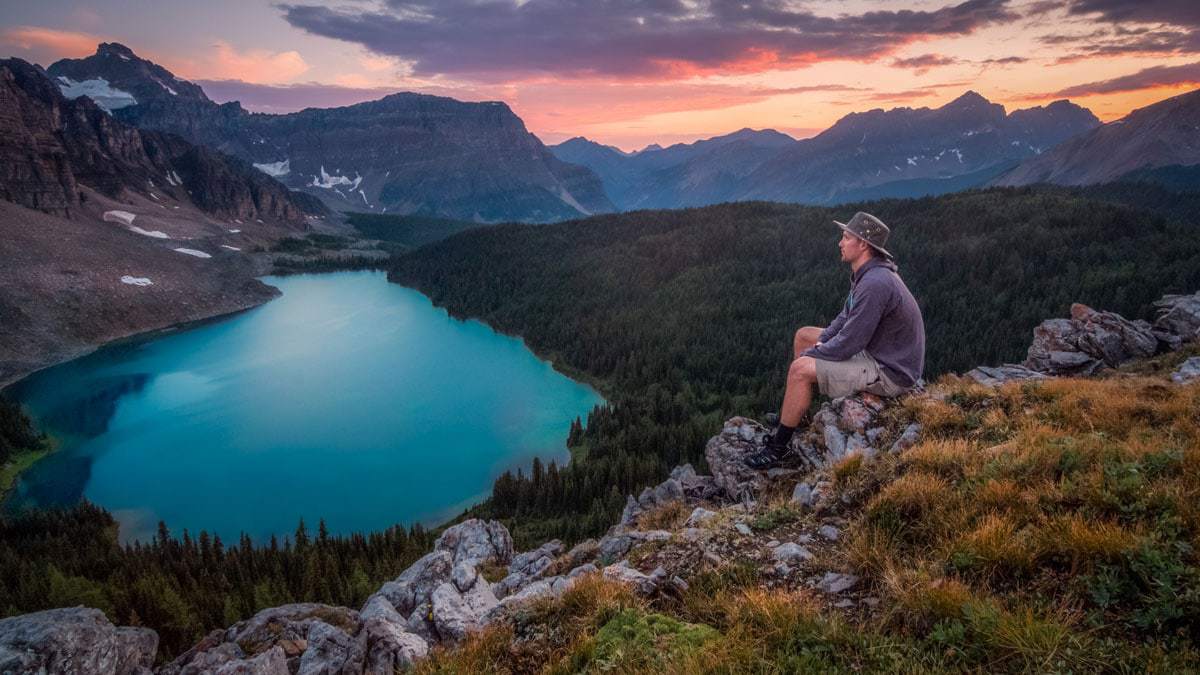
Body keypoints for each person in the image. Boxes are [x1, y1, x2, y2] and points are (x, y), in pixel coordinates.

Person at [743, 211, 925, 469]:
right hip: (879, 352)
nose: (840, 242)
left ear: (863, 244)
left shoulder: (875, 283)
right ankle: (798, 413)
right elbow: (843, 319)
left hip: (890, 371)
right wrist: (819, 344)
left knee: (799, 369)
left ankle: (778, 448)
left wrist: (817, 354)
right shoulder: (867, 275)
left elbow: (851, 341)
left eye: (845, 237)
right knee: (804, 335)